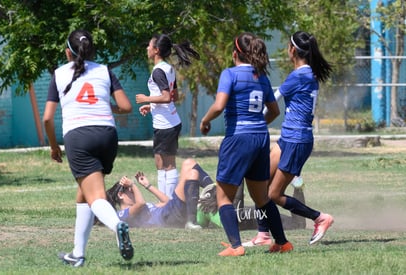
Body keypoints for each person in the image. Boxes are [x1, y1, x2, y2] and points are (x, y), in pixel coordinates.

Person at [42, 29, 134, 267]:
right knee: (84, 193)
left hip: (79, 136)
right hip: (107, 134)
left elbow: (47, 119)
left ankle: (117, 226)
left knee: (95, 196)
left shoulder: (59, 74)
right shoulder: (105, 71)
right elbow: (125, 106)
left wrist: (54, 147)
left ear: (67, 52)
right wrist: (104, 106)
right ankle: (77, 254)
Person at [199, 32, 291, 256]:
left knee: (223, 197)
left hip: (238, 139)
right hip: (261, 138)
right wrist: (258, 125)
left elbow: (219, 106)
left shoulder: (230, 74)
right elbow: (275, 110)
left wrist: (205, 119)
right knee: (262, 198)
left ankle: (236, 246)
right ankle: (282, 243)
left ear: (235, 53)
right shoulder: (261, 77)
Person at [246, 31, 334, 246]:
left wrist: (254, 121)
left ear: (292, 50)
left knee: (273, 194)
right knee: (260, 181)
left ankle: (320, 218)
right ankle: (263, 235)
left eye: (287, 46)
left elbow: (272, 100)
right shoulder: (307, 73)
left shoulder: (299, 75)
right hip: (289, 138)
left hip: (297, 140)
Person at [135, 34, 200, 198]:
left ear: (156, 50)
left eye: (149, 46)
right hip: (169, 122)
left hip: (166, 125)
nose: (147, 48)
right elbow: (174, 96)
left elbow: (166, 97)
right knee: (162, 164)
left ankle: (168, 203)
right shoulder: (168, 68)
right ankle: (166, 202)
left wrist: (146, 98)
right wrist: (151, 106)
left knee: (166, 165)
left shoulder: (158, 71)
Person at [106, 158, 212, 229]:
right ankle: (191, 220)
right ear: (120, 195)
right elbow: (141, 203)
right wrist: (132, 185)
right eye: (129, 190)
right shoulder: (122, 214)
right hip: (169, 217)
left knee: (189, 163)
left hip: (170, 210)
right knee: (193, 173)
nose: (133, 191)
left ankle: (215, 191)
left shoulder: (145, 206)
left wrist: (148, 186)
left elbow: (166, 201)